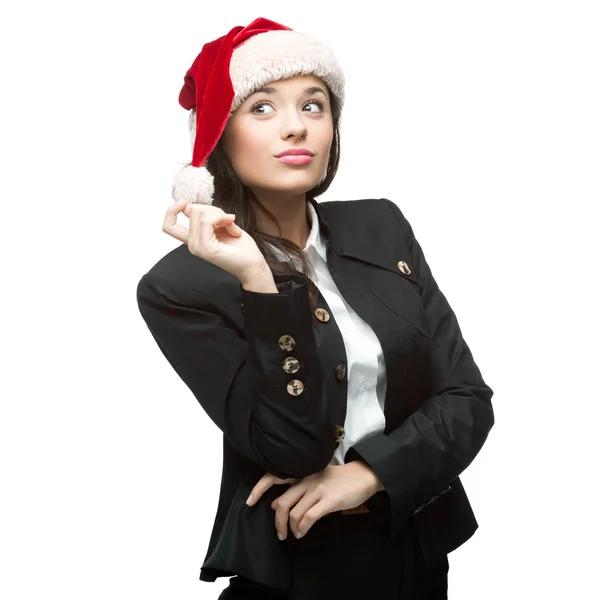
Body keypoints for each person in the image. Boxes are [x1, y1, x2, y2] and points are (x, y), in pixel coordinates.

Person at [136, 16, 495, 600]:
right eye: (261, 108)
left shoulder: (382, 225)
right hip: (296, 567)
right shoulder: (179, 287)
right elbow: (290, 448)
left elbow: (467, 402)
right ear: (219, 135)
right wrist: (259, 278)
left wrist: (370, 473)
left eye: (314, 106)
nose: (295, 128)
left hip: (416, 551)